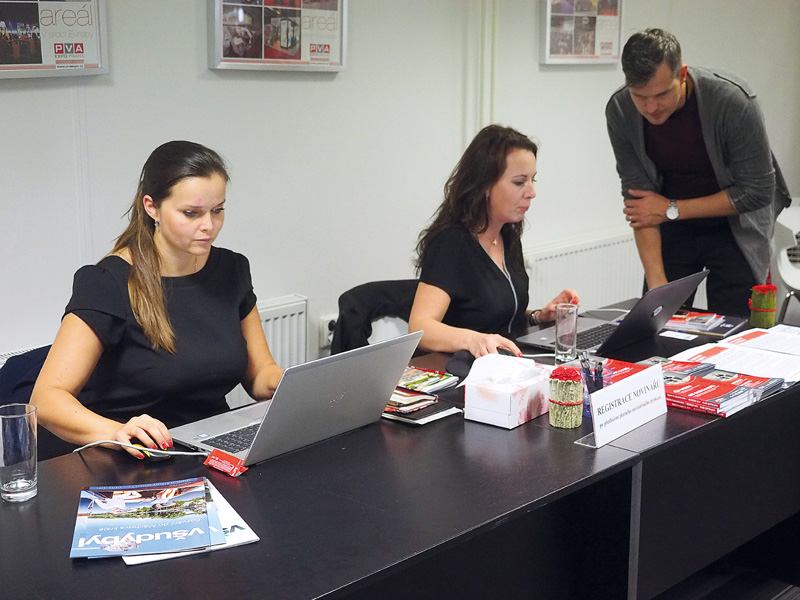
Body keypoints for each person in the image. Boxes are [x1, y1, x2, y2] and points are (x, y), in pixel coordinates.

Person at [31, 141, 283, 459]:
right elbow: (47, 400)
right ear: (152, 207)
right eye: (191, 213)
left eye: (218, 210)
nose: (209, 225)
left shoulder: (232, 269)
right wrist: (116, 432)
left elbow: (259, 376)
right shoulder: (108, 282)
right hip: (135, 454)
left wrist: (293, 384)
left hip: (208, 446)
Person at [606, 28, 791, 317]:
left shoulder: (732, 101)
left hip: (735, 225)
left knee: (736, 326)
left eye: (662, 94)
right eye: (640, 96)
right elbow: (641, 204)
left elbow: (757, 192)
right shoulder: (621, 109)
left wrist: (671, 209)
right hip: (671, 226)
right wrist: (658, 286)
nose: (652, 108)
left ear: (682, 74)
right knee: (661, 324)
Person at [409, 124, 579, 358]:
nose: (531, 192)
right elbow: (420, 327)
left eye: (533, 180)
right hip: (459, 367)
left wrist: (537, 317)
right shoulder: (451, 243)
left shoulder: (507, 236)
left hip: (504, 363)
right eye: (519, 182)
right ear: (485, 185)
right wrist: (474, 340)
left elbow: (496, 316)